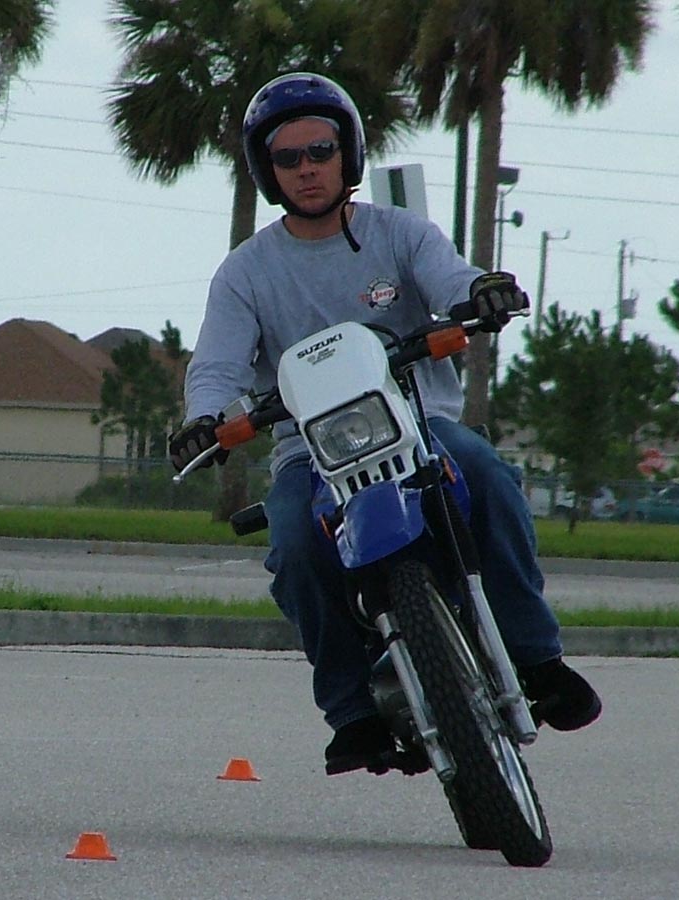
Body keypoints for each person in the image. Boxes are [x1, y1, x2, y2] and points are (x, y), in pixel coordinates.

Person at [169, 72, 600, 776]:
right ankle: (352, 712)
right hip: (310, 451)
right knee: (293, 542)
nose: (307, 168)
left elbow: (451, 277)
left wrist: (480, 291)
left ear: (349, 154)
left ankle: (536, 657)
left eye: (321, 150)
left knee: (488, 475)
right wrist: (204, 420)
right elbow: (217, 366)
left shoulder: (401, 234)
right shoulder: (245, 272)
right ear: (267, 171)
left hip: (420, 422)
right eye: (288, 158)